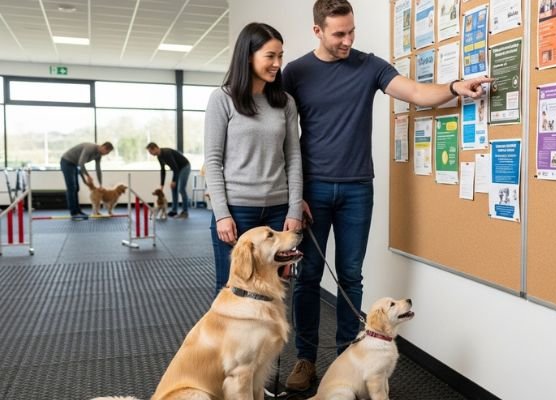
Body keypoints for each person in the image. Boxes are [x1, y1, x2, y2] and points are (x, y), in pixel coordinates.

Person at [282, 0, 493, 391]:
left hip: (358, 187)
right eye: (338, 34)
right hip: (311, 190)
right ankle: (305, 359)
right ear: (317, 32)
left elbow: (413, 92)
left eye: (351, 31)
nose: (347, 40)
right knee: (309, 275)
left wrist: (452, 88)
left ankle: (350, 354)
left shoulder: (369, 66)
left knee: (350, 276)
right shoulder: (295, 73)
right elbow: (278, 132)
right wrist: (292, 194)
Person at [204, 22, 303, 293]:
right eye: (270, 56)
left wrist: (294, 209)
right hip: (237, 211)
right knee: (233, 291)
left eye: (280, 56)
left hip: (278, 210)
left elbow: (293, 158)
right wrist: (222, 214)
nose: (277, 63)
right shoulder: (222, 99)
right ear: (248, 56)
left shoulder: (285, 102)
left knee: (276, 290)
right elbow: (212, 161)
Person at [60, 142, 113, 221]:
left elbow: (98, 169)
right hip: (67, 162)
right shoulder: (90, 148)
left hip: (75, 164)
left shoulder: (99, 155)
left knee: (76, 188)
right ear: (103, 147)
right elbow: (81, 163)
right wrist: (87, 176)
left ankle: (78, 211)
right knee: (72, 188)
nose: (106, 154)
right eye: (107, 152)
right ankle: (74, 213)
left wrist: (100, 184)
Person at [145, 143, 191, 218]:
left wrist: (174, 180)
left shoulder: (166, 153)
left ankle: (185, 212)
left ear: (155, 148)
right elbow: (163, 170)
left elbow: (175, 168)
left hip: (185, 167)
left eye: (150, 152)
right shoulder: (159, 157)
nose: (150, 154)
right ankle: (174, 210)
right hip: (178, 169)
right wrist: (161, 185)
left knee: (181, 189)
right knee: (173, 188)